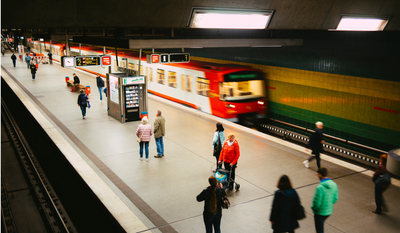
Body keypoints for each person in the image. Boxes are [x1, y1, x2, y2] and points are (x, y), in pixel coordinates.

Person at [311, 168, 339, 233]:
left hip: (320, 212)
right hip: (329, 211)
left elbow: (317, 202)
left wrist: (313, 208)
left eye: (317, 174)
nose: (317, 176)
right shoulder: (334, 184)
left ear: (320, 175)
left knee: (319, 230)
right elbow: (335, 198)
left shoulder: (320, 187)